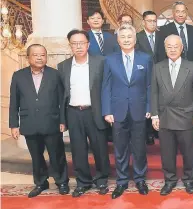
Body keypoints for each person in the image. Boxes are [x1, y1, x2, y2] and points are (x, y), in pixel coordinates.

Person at [9, 44, 69, 198]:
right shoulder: (18, 75)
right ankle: (41, 182)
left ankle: (61, 181)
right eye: (36, 55)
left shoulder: (55, 75)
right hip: (30, 123)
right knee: (36, 156)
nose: (40, 57)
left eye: (43, 54)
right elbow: (14, 101)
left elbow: (62, 100)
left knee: (57, 154)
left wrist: (63, 120)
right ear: (28, 57)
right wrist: (14, 124)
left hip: (52, 121)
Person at [57, 29, 110, 197]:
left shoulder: (100, 62)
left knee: (100, 148)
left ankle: (101, 180)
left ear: (88, 44)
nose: (78, 46)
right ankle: (83, 182)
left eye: (82, 43)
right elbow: (61, 95)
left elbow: (106, 88)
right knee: (78, 149)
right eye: (75, 43)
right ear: (70, 46)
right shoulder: (63, 66)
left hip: (94, 111)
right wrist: (62, 118)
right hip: (73, 112)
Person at [101, 24, 152, 199]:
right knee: (120, 148)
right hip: (117, 111)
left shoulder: (145, 59)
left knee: (139, 147)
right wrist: (107, 110)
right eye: (123, 37)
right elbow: (105, 86)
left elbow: (149, 86)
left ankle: (140, 179)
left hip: (139, 110)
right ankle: (121, 181)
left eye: (130, 36)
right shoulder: (109, 59)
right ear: (118, 40)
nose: (127, 40)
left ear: (135, 39)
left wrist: (149, 108)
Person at [152, 35, 193, 195]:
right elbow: (153, 93)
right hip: (165, 115)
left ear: (182, 48)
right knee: (167, 152)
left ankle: (189, 180)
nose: (172, 49)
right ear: (165, 49)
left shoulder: (192, 67)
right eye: (169, 47)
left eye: (176, 46)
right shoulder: (157, 67)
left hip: (186, 115)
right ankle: (170, 180)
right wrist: (154, 115)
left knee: (188, 152)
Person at [136, 10, 162, 145]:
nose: (152, 23)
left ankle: (159, 130)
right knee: (148, 103)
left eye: (154, 21)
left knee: (159, 101)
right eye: (149, 21)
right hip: (145, 75)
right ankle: (149, 133)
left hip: (161, 74)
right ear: (143, 22)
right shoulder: (137, 37)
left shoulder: (161, 35)